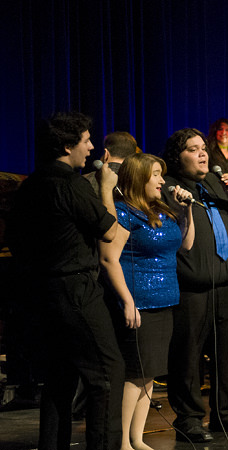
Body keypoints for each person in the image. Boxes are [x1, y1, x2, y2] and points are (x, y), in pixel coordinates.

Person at [8, 111, 125, 450]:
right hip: (76, 289)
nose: (91, 148)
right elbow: (109, 231)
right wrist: (105, 188)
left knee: (60, 375)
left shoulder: (30, 185)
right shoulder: (71, 184)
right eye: (86, 141)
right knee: (107, 371)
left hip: (43, 291)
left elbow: (14, 239)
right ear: (67, 146)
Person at [160, 128, 228, 442]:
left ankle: (225, 415)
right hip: (191, 287)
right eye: (193, 149)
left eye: (204, 148)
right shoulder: (169, 189)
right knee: (187, 355)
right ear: (177, 157)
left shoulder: (218, 182)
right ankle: (188, 418)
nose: (203, 154)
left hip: (227, 284)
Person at [99, 153, 195, 450]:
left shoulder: (162, 210)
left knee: (148, 373)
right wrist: (128, 301)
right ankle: (122, 443)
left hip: (165, 300)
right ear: (140, 178)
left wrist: (186, 210)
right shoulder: (124, 213)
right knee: (135, 374)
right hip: (140, 303)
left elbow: (187, 244)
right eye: (156, 174)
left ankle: (137, 438)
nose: (162, 180)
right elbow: (108, 258)